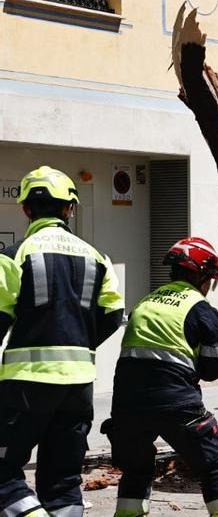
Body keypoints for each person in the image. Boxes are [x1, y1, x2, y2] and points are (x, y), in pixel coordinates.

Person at [0, 166, 126, 517]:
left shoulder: (14, 255)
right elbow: (114, 314)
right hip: (78, 384)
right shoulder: (97, 257)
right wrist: (81, 344)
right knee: (63, 482)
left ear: (26, 209)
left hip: (25, 384)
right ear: (69, 208)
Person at [107, 238, 218, 517]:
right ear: (202, 275)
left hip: (126, 404)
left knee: (137, 467)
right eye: (210, 280)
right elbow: (211, 370)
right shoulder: (201, 309)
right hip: (177, 401)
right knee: (213, 463)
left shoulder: (145, 302)